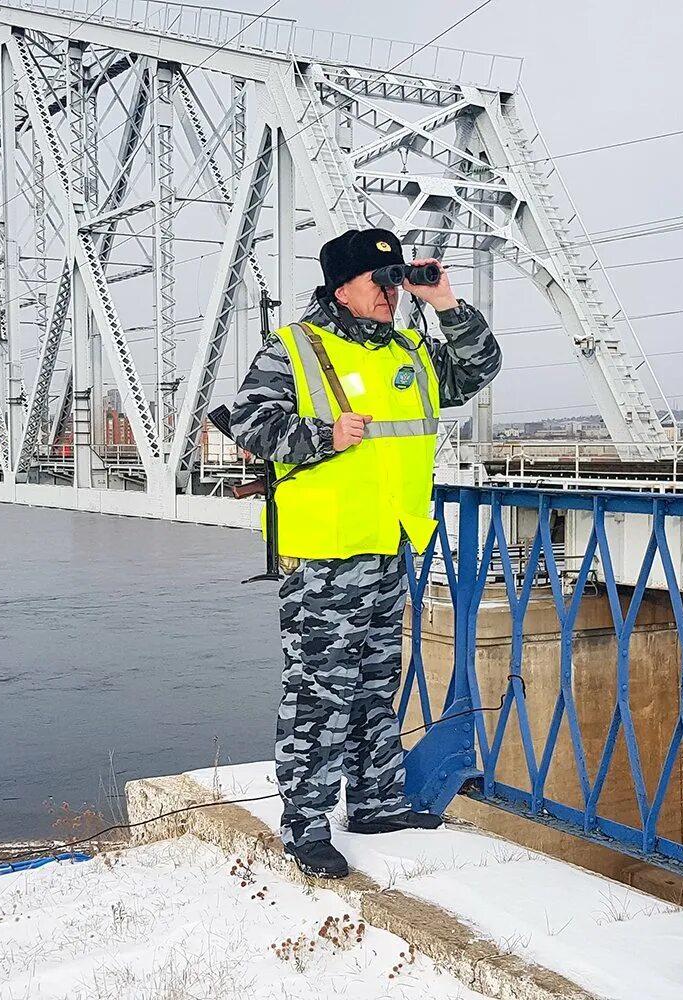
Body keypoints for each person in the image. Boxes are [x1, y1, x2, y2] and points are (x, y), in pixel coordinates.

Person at [226, 228, 501, 878]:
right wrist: (321, 433)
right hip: (322, 552)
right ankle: (306, 827)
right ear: (341, 286)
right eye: (378, 282)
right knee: (319, 691)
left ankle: (376, 801)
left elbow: (480, 368)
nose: (388, 293)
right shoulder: (296, 348)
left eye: (394, 280)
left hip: (389, 543)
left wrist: (446, 304)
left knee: (377, 683)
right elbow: (248, 422)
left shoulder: (411, 349)